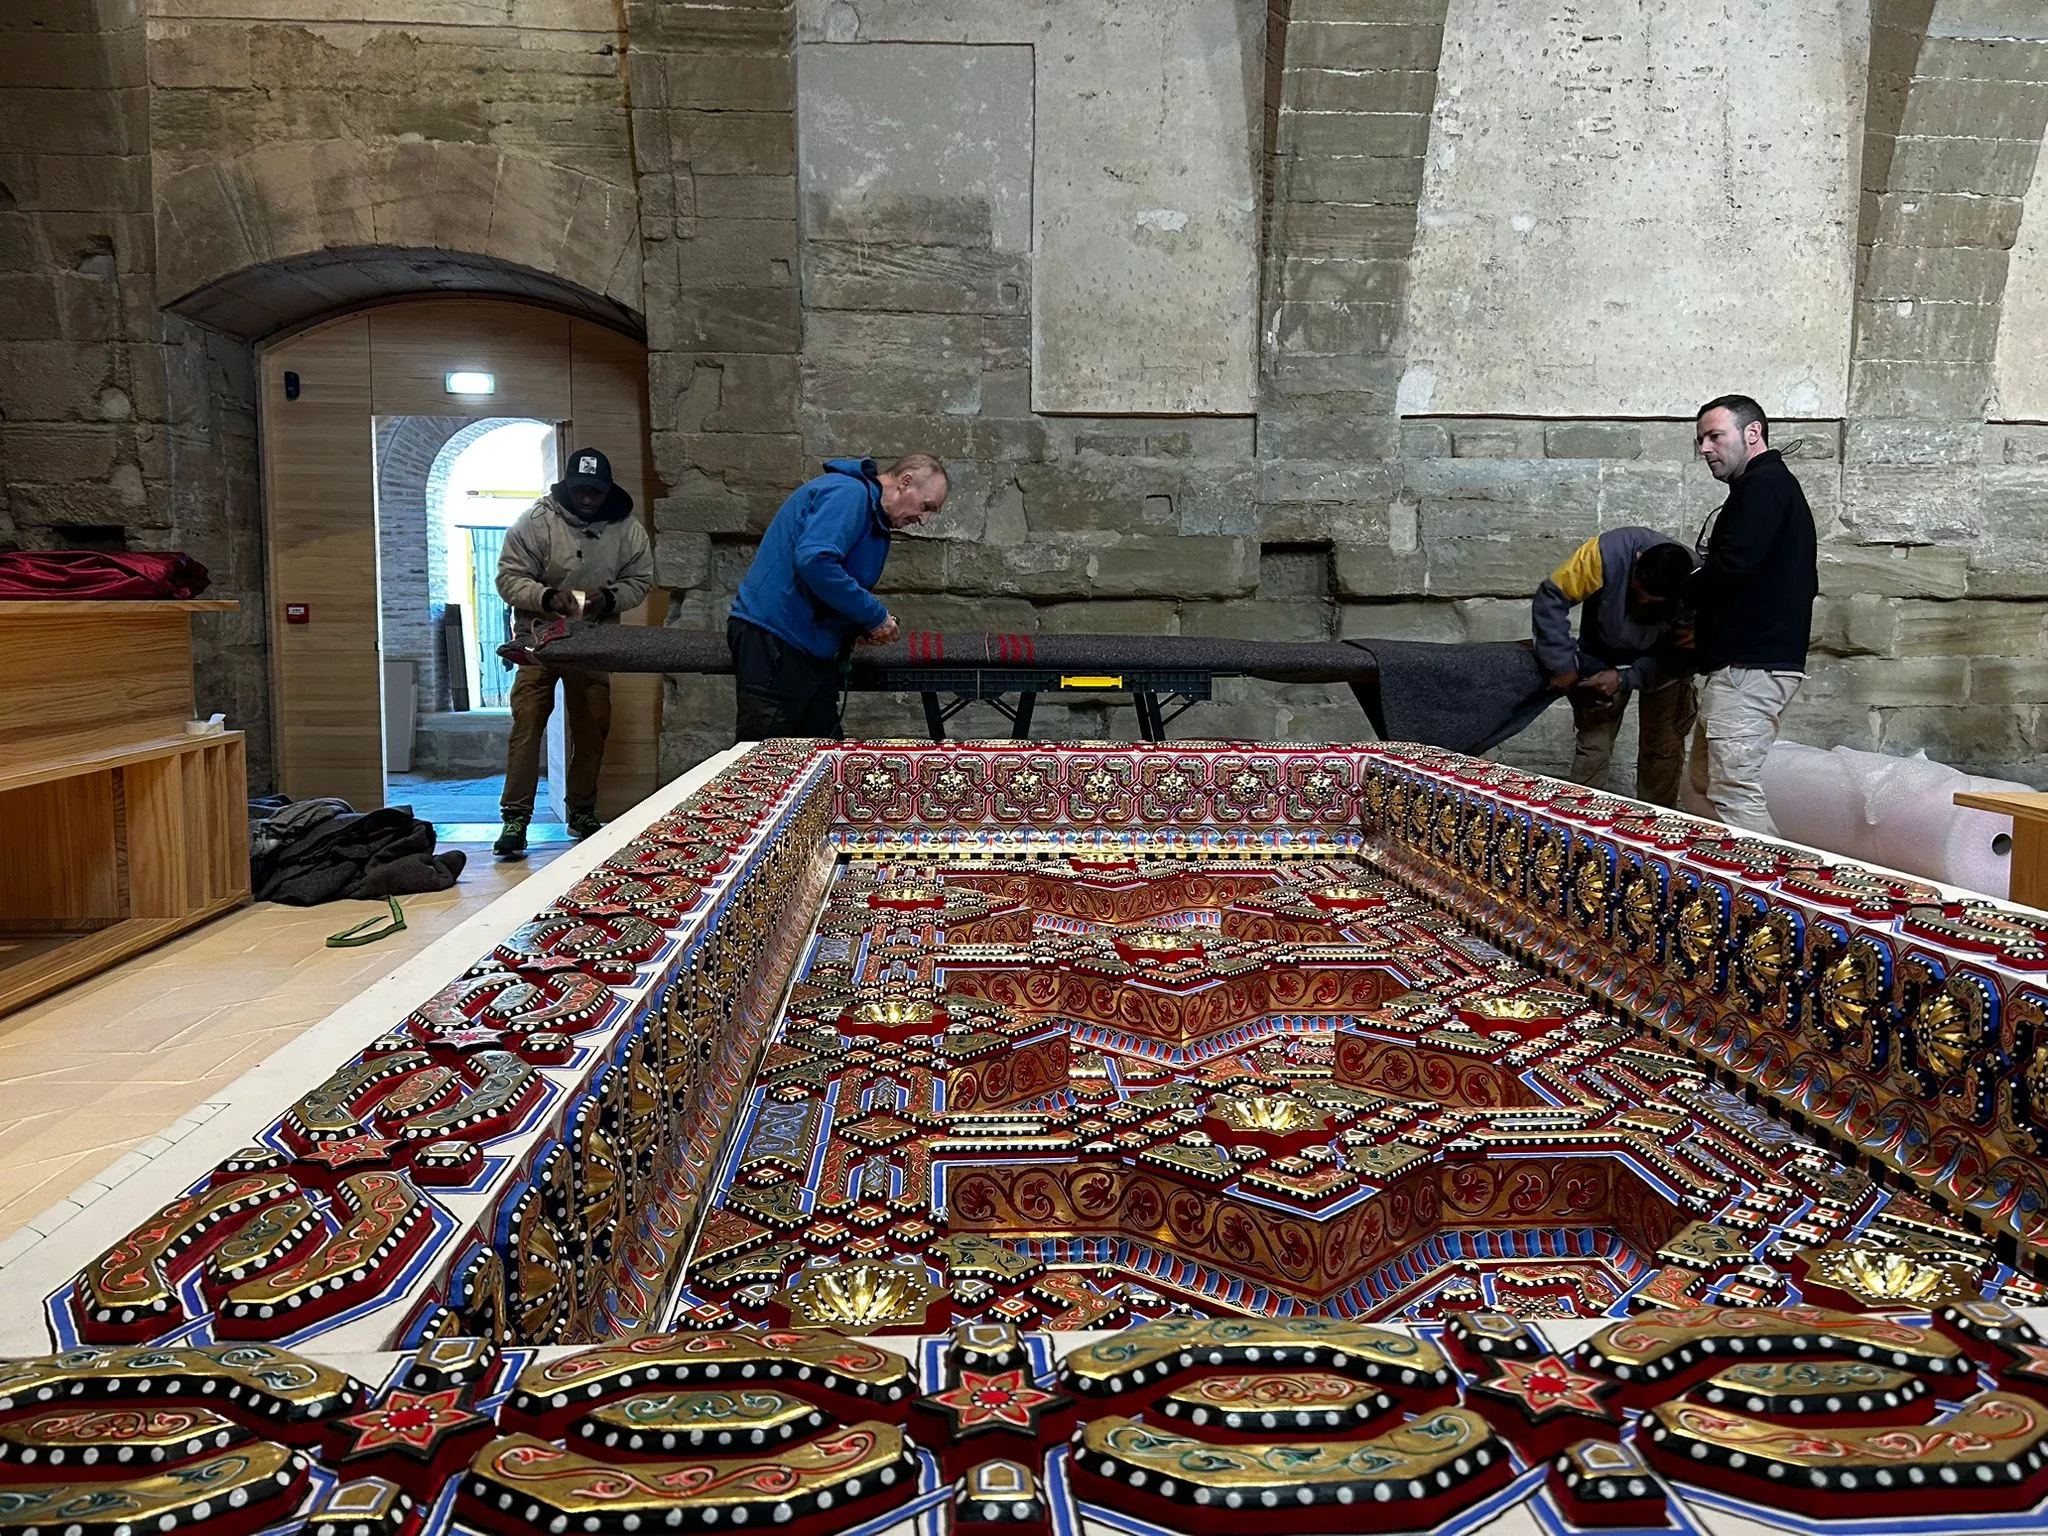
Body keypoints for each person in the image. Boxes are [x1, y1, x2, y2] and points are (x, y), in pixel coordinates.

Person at [492, 446, 654, 858]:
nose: (586, 499)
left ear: (606, 490)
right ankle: (515, 817)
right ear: (566, 486)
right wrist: (547, 597)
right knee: (527, 726)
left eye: (594, 492)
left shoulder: (627, 528)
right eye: (580, 490)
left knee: (593, 726)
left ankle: (582, 810)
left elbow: (641, 579)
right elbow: (509, 577)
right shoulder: (535, 522)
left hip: (594, 639)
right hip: (538, 639)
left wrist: (610, 598)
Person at [728, 453, 949, 740]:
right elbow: (815, 561)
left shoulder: (873, 519)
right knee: (768, 756)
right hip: (777, 637)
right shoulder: (850, 493)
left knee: (826, 754)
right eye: (926, 506)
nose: (924, 519)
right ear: (905, 482)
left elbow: (829, 582)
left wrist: (857, 624)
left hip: (806, 647)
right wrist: (873, 615)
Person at [1686, 394, 1819, 835]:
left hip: (1751, 666)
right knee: (1705, 787)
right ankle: (1716, 894)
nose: (1705, 448)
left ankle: (1783, 900)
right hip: (1744, 664)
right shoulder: (1764, 488)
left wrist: (1683, 589)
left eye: (1714, 436)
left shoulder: (1764, 487)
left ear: (1752, 434)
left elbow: (1732, 569)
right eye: (1700, 439)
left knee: (1731, 791)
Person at [1531, 528, 1697, 806]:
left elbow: (1685, 654)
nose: (1643, 602)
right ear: (1638, 559)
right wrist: (1561, 663)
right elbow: (1552, 597)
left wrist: (1625, 678)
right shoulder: (1606, 552)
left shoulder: (1698, 584)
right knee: (1593, 746)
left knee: (1663, 750)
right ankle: (1579, 821)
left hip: (1665, 664)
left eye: (1653, 602)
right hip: (1601, 654)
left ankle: (1656, 829)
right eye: (1639, 592)